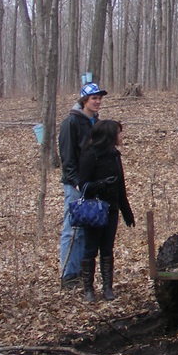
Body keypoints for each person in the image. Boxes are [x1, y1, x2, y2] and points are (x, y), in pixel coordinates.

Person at [77, 119, 135, 302]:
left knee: (107, 249)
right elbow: (83, 186)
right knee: (91, 248)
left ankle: (107, 288)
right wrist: (101, 185)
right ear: (109, 135)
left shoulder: (115, 155)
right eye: (118, 133)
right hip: (93, 210)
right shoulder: (90, 155)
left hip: (112, 208)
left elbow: (121, 186)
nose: (121, 136)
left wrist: (127, 211)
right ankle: (88, 289)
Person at [58, 82, 107, 288]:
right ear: (84, 100)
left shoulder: (95, 122)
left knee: (88, 229)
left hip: (92, 184)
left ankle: (82, 274)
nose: (97, 102)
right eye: (93, 98)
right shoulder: (71, 123)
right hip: (75, 185)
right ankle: (69, 275)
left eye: (99, 98)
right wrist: (77, 182)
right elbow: (67, 157)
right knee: (72, 229)